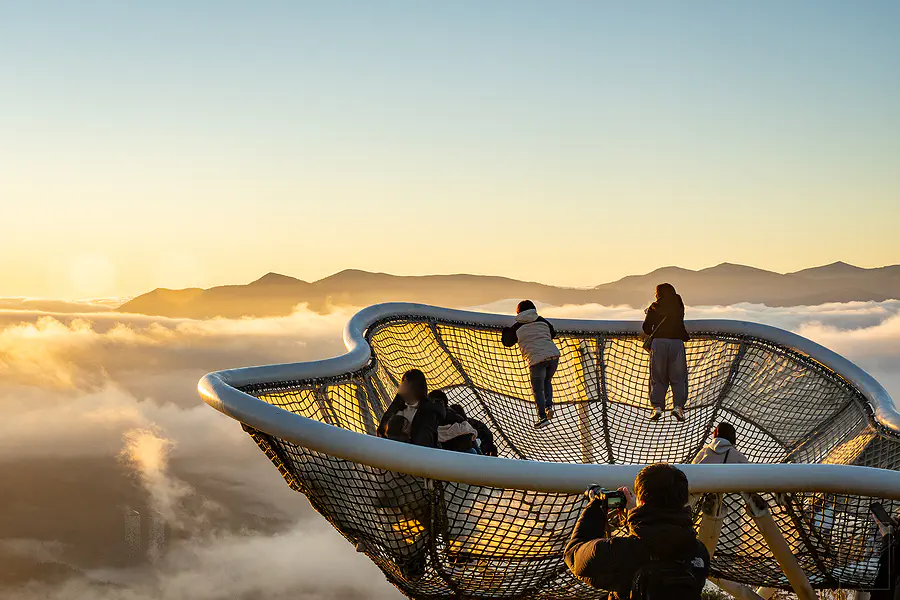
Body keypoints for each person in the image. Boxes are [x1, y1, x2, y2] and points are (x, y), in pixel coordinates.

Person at [565, 463, 709, 599]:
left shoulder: (619, 552)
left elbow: (573, 555)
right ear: (683, 500)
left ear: (642, 502)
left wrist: (595, 506)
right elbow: (662, 540)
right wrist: (636, 517)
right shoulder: (699, 553)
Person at [502, 300, 561, 429]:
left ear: (518, 312)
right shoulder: (542, 320)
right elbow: (552, 333)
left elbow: (507, 342)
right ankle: (549, 406)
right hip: (553, 356)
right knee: (547, 381)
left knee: (537, 389)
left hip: (536, 360)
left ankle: (542, 417)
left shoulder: (517, 327)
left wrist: (505, 330)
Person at [642, 283, 691, 422]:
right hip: (676, 343)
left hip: (659, 343)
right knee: (679, 378)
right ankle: (678, 407)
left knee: (658, 377)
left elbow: (646, 328)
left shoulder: (654, 307)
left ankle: (657, 407)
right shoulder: (678, 305)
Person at [377, 369, 445, 448]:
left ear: (417, 388)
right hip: (389, 448)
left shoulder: (428, 413)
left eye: (407, 385)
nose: (402, 388)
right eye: (403, 384)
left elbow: (424, 443)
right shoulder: (397, 407)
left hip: (412, 454)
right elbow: (383, 429)